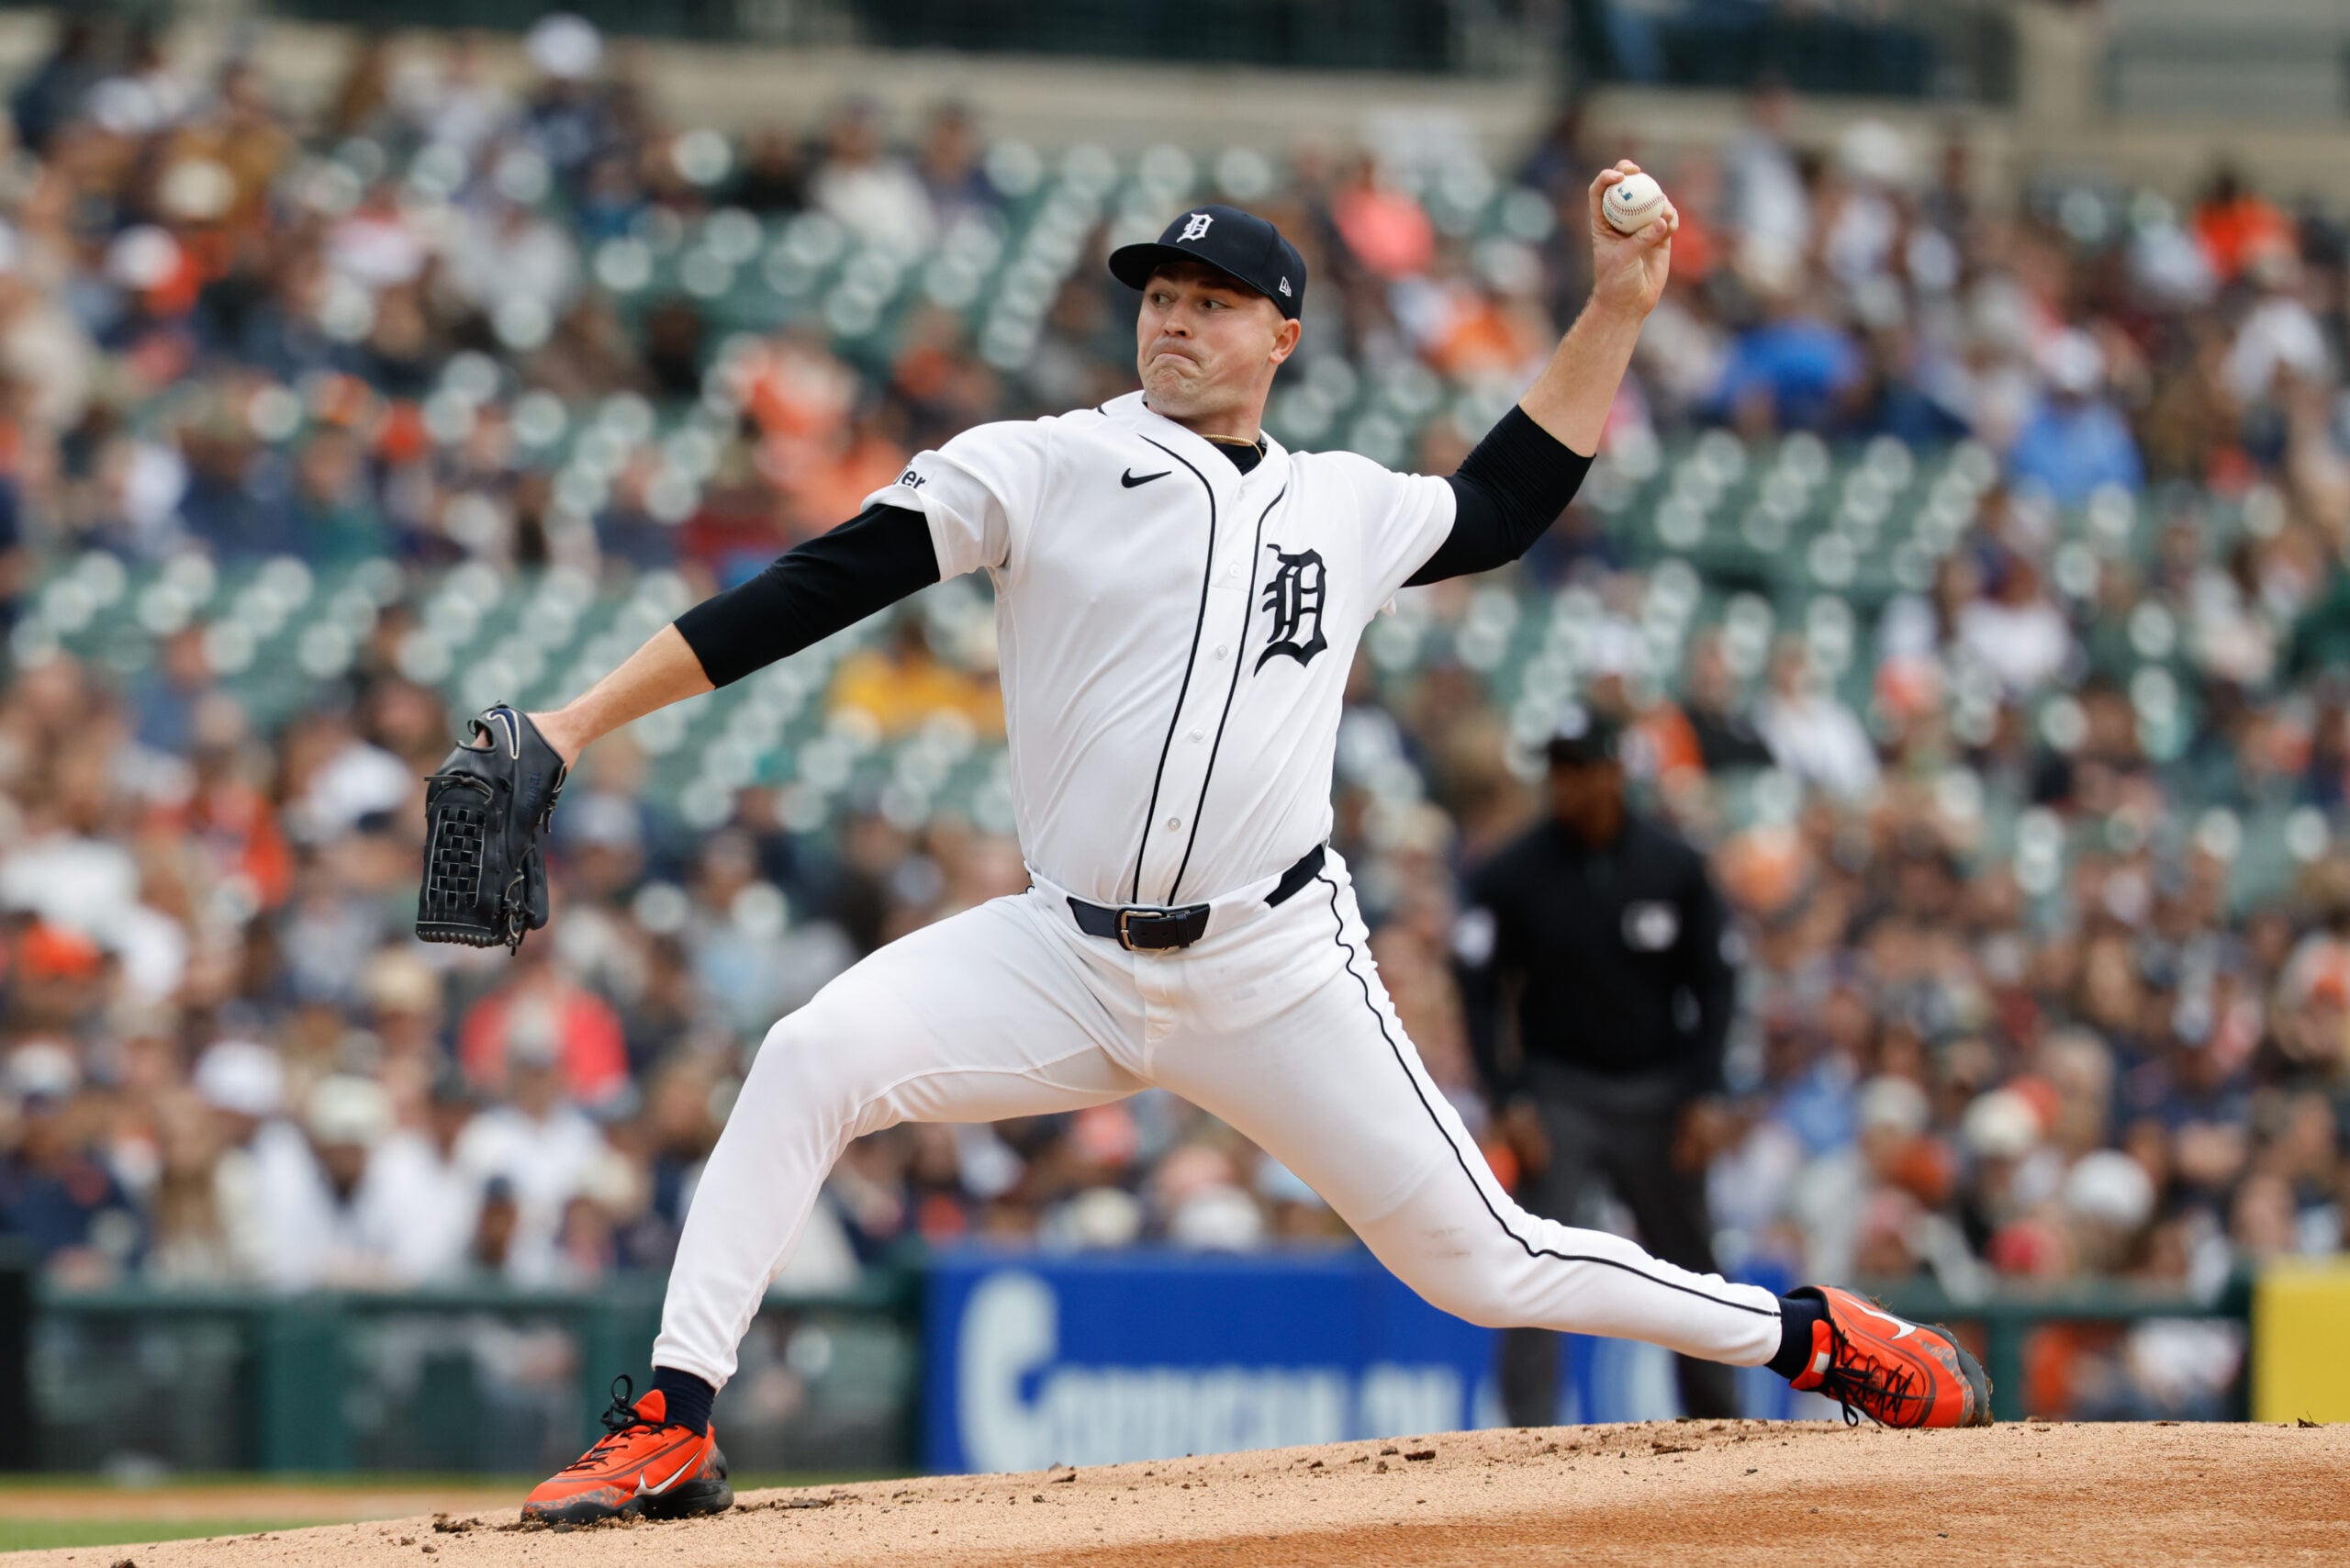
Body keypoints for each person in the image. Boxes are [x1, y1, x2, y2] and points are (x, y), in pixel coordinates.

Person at [502, 165, 1988, 1526]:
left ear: (1282, 333)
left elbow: (1508, 501)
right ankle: (673, 1416)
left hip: (1277, 960)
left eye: (1213, 303)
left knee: (1486, 1263)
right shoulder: (1041, 463)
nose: (1176, 321)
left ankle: (1811, 1333)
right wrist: (575, 720)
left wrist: (1611, 310)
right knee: (807, 1055)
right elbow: (817, 583)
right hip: (1063, 949)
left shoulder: (1342, 502)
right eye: (1160, 296)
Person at [1456, 705, 1742, 1421]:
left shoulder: (1675, 867)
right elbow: (1479, 990)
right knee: (1530, 1259)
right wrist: (1508, 1096)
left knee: (1693, 1265)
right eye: (1558, 770)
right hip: (1561, 1092)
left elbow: (1717, 981)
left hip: (1660, 1090)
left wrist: (1708, 1092)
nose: (1568, 785)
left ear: (1616, 772)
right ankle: (1525, 1439)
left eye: (1582, 769)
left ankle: (1725, 1430)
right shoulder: (1512, 874)